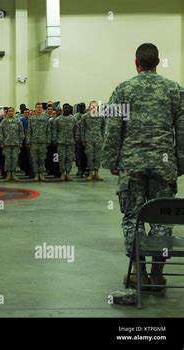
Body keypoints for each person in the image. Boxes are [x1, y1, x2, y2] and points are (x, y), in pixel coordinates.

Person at [102, 43, 184, 289]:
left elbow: (113, 127)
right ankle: (157, 274)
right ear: (158, 62)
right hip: (163, 163)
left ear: (136, 63)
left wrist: (112, 160)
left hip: (132, 164)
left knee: (132, 216)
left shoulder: (124, 89)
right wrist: (181, 161)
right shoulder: (174, 90)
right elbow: (182, 129)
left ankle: (138, 272)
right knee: (162, 217)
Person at [80, 101, 106, 181]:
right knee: (90, 156)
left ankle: (96, 173)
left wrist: (103, 137)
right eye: (92, 106)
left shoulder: (101, 116)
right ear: (89, 107)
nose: (94, 107)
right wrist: (83, 139)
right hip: (89, 139)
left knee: (98, 156)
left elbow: (103, 128)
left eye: (95, 106)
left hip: (98, 139)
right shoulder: (85, 117)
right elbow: (82, 129)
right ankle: (90, 173)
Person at [52, 103, 78, 181]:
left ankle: (68, 173)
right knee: (61, 158)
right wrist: (54, 140)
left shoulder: (73, 119)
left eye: (68, 108)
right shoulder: (58, 119)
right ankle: (62, 173)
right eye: (65, 108)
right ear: (63, 109)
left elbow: (76, 131)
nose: (67, 109)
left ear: (70, 109)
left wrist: (76, 139)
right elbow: (54, 131)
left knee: (69, 158)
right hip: (61, 142)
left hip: (71, 142)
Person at [0, 107, 24, 181]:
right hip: (7, 144)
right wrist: (1, 142)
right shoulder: (3, 122)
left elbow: (21, 132)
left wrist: (20, 142)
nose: (10, 112)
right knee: (8, 159)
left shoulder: (18, 122)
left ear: (14, 112)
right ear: (7, 112)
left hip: (16, 144)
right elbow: (0, 133)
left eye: (12, 111)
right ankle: (8, 174)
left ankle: (14, 174)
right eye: (9, 111)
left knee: (15, 159)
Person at [27, 103, 51, 182]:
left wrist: (48, 140)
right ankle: (36, 174)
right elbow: (29, 131)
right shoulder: (31, 119)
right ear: (35, 108)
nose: (39, 109)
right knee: (34, 159)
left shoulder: (46, 118)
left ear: (42, 109)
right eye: (37, 107)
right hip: (34, 142)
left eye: (40, 107)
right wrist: (28, 141)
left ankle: (41, 174)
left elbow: (48, 130)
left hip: (43, 141)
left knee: (42, 158)